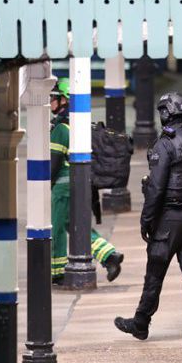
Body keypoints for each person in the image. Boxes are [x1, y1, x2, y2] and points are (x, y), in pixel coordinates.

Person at [114, 92, 182, 342]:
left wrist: (146, 220)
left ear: (165, 114)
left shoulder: (164, 145)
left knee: (155, 273)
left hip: (168, 221)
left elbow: (156, 189)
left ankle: (141, 323)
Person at [48, 78, 124, 284]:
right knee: (77, 225)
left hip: (62, 188)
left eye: (54, 97)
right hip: (80, 185)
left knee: (57, 228)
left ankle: (57, 272)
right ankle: (109, 255)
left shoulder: (61, 129)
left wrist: (44, 184)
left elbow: (54, 164)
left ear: (65, 100)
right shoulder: (78, 126)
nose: (51, 101)